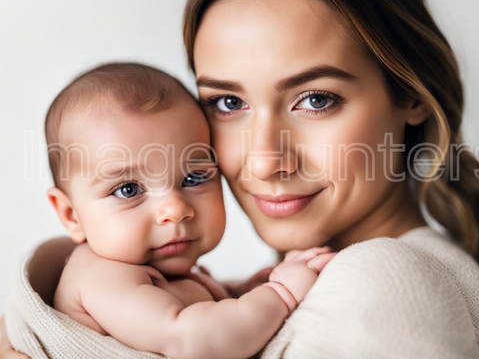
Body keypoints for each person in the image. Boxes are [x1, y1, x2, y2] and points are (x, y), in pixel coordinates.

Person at [1, 0, 479, 358]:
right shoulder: (282, 285)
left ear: (411, 92)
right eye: (228, 103)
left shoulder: (386, 287)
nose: (262, 162)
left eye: (316, 99)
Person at [3, 63, 335, 359]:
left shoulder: (162, 273)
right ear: (71, 215)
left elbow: (209, 310)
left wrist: (251, 289)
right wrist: (281, 293)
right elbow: (190, 339)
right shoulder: (101, 277)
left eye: (193, 178)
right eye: (128, 190)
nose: (175, 210)